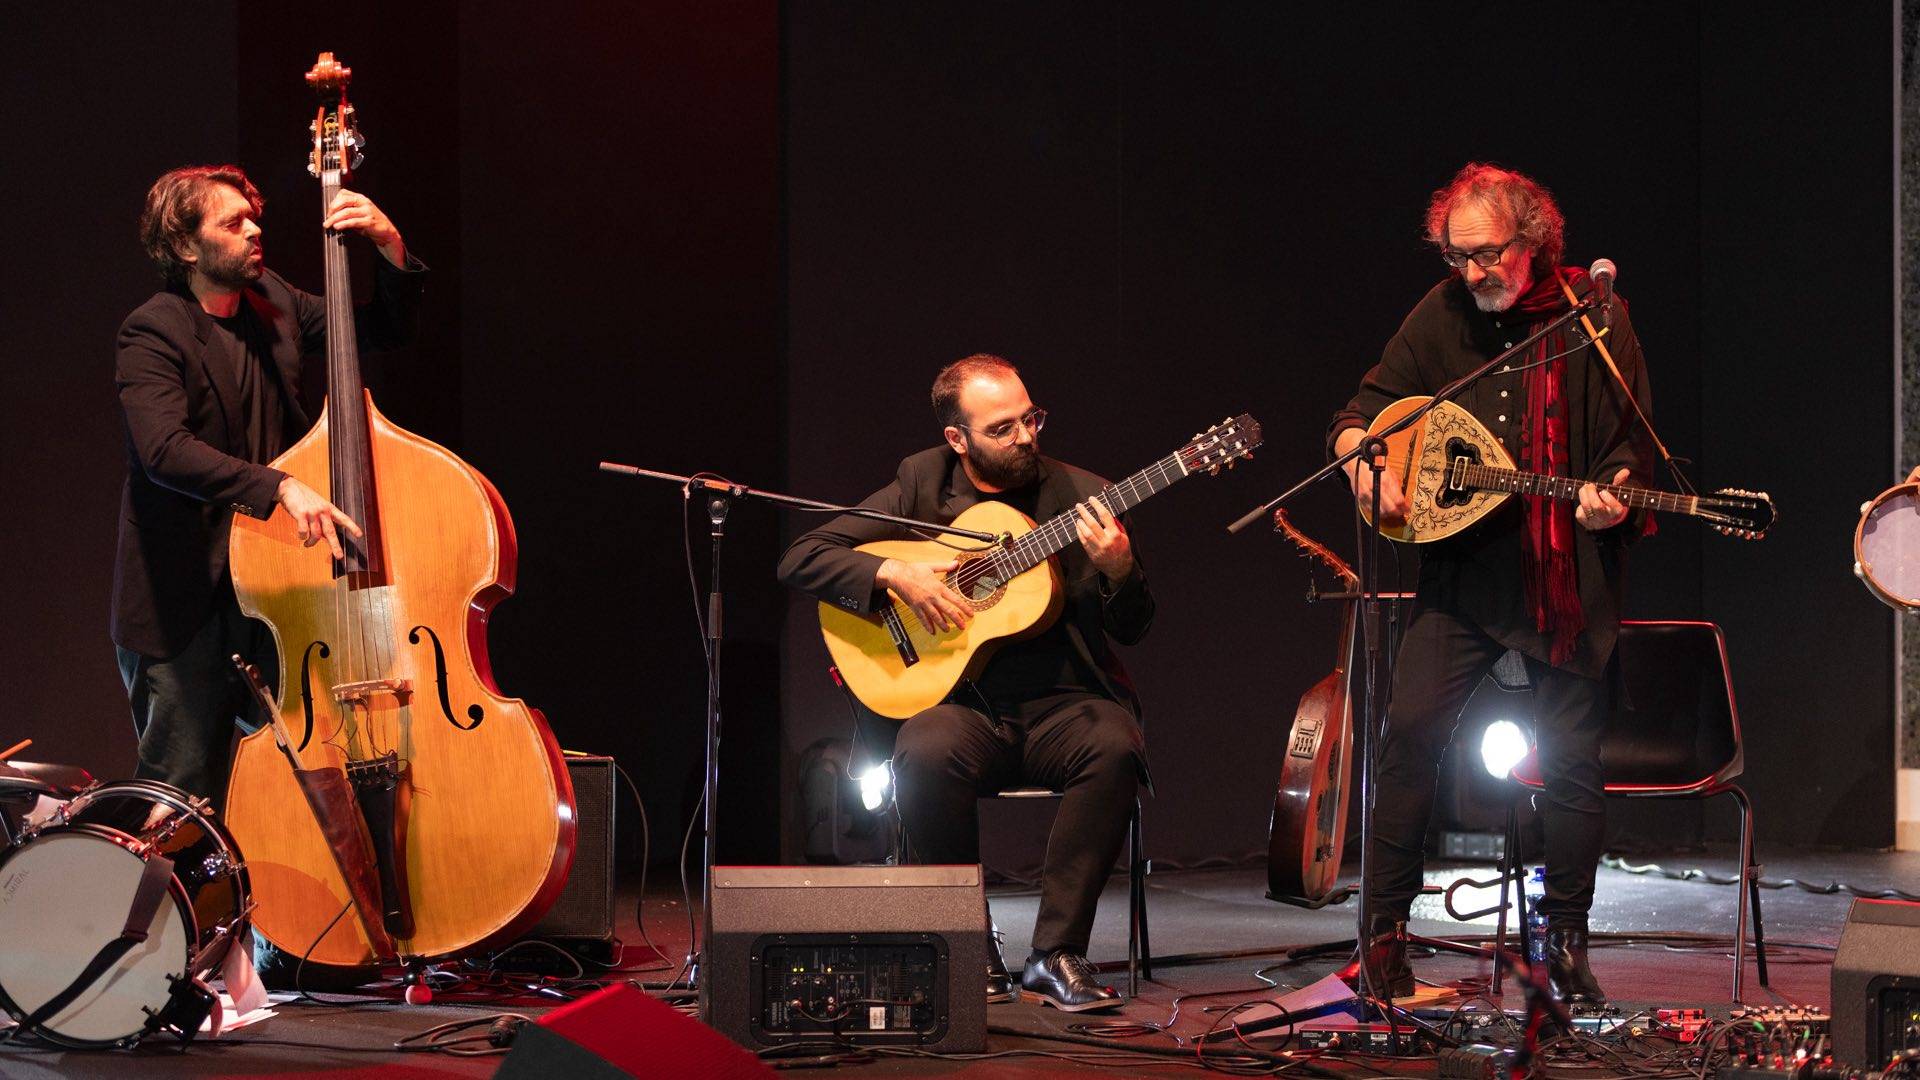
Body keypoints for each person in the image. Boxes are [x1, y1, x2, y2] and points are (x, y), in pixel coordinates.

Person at [1327, 164, 1656, 1005]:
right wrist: (1361, 464)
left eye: (1488, 254)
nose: (1473, 272)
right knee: (1408, 736)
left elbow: (1629, 447)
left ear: (1533, 239)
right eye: (1458, 256)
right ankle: (1382, 943)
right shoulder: (1441, 313)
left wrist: (1612, 497)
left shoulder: (1594, 317)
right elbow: (1359, 413)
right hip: (1464, 574)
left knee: (1571, 761)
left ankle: (1566, 947)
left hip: (1564, 578)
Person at [778, 354, 1152, 1012]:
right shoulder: (921, 485)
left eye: (1031, 419)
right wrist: (895, 573)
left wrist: (1121, 571)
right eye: (1002, 428)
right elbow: (802, 557)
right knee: (924, 750)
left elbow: (1136, 627)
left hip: (1063, 705)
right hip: (965, 709)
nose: (1025, 437)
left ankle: (1057, 953)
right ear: (957, 437)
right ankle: (966, 943)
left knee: (1116, 745)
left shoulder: (1083, 496)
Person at [112, 164, 425, 806]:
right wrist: (280, 487)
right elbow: (164, 452)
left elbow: (380, 329)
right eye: (233, 223)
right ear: (186, 246)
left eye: (253, 218)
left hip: (276, 596)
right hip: (185, 606)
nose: (255, 231)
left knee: (308, 785)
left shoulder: (273, 303)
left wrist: (389, 245)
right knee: (182, 799)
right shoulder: (153, 331)